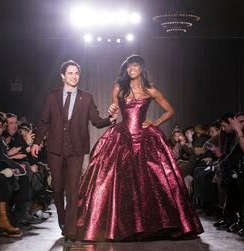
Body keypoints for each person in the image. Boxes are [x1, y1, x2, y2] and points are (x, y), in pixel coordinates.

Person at [76, 55, 203, 241]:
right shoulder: (119, 87)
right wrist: (112, 112)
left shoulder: (150, 90)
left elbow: (170, 110)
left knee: (151, 182)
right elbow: (114, 112)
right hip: (122, 137)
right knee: (118, 181)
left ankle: (156, 225)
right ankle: (118, 226)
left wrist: (155, 122)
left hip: (145, 139)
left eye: (134, 65)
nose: (130, 69)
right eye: (128, 66)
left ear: (141, 68)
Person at [31, 60, 116, 243]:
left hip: (76, 148)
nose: (74, 76)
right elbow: (45, 121)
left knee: (72, 190)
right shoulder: (52, 97)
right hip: (55, 148)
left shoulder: (86, 97)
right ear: (63, 76)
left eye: (76, 73)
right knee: (57, 188)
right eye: (70, 73)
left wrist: (110, 119)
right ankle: (63, 219)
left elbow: (96, 120)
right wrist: (37, 142)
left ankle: (70, 231)